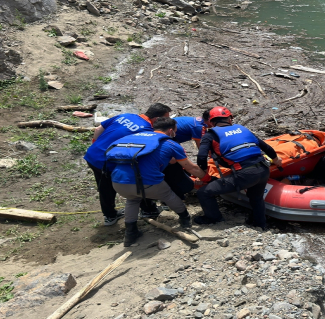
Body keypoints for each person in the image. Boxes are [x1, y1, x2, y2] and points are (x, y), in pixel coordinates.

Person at [106, 117, 210, 247]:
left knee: (132, 200)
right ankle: (185, 219)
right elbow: (191, 167)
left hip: (118, 182)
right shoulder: (170, 143)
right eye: (175, 131)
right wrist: (207, 179)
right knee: (168, 195)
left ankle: (130, 234)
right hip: (148, 183)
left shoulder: (136, 136)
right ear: (171, 130)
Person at [83, 103, 171, 226]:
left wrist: (97, 146)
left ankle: (110, 216)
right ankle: (148, 210)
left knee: (104, 187)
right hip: (106, 161)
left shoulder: (126, 115)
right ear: (157, 119)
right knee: (138, 179)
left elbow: (98, 129)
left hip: (92, 154)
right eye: (166, 118)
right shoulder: (146, 129)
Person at [194, 106, 282, 228]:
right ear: (230, 119)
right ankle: (260, 224)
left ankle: (213, 218)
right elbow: (267, 148)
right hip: (263, 169)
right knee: (256, 198)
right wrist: (277, 160)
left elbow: (202, 156)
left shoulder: (210, 135)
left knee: (204, 192)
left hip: (245, 174)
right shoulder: (243, 129)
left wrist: (203, 171)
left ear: (211, 122)